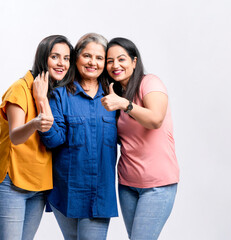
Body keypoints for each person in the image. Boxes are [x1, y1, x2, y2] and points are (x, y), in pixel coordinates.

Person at [0, 35, 74, 240]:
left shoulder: (55, 93)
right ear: (43, 58)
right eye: (55, 56)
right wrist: (34, 123)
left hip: (39, 185)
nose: (62, 63)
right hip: (12, 182)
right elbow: (16, 136)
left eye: (66, 58)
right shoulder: (20, 89)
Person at [39, 33, 118, 240]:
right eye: (87, 56)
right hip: (67, 193)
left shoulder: (114, 98)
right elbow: (54, 140)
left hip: (100, 194)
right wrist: (43, 103)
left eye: (99, 58)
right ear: (77, 58)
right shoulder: (60, 95)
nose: (93, 62)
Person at [101, 37, 180, 240]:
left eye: (121, 59)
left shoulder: (149, 82)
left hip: (157, 185)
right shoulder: (114, 93)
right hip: (127, 184)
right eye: (109, 61)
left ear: (134, 62)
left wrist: (124, 104)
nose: (115, 65)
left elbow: (155, 120)